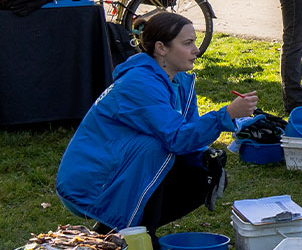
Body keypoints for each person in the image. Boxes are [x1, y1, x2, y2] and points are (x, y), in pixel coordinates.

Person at [56, 13, 257, 237]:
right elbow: (177, 139)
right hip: (91, 182)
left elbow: (189, 135)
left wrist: (207, 158)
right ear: (162, 48)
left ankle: (122, 231)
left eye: (195, 42)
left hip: (125, 165)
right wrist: (226, 114)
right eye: (187, 43)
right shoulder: (139, 82)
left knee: (202, 173)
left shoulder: (179, 81)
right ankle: (136, 235)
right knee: (157, 149)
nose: (196, 50)